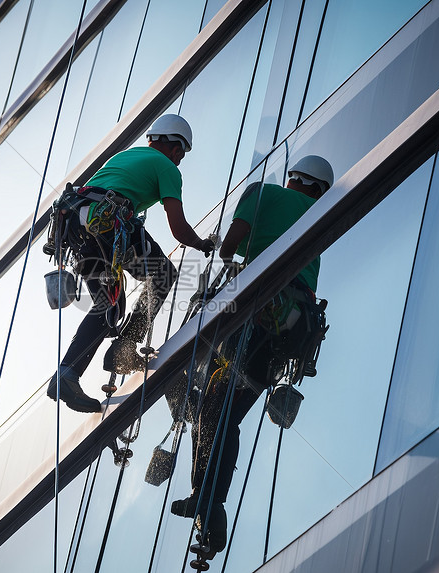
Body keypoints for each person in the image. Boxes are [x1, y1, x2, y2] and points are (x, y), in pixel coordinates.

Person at [170, 154, 334, 556]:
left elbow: (232, 243)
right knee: (219, 411)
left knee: (210, 408)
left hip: (256, 314)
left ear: (295, 177)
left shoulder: (264, 193)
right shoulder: (321, 214)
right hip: (288, 334)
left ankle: (208, 499)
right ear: (320, 189)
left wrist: (223, 256)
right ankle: (206, 500)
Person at [47, 114, 215, 413]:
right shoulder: (166, 167)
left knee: (109, 308)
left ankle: (66, 375)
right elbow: (178, 226)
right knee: (163, 273)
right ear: (175, 148)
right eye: (181, 155)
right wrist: (202, 244)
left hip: (78, 227)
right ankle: (123, 348)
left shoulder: (126, 156)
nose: (179, 161)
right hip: (109, 223)